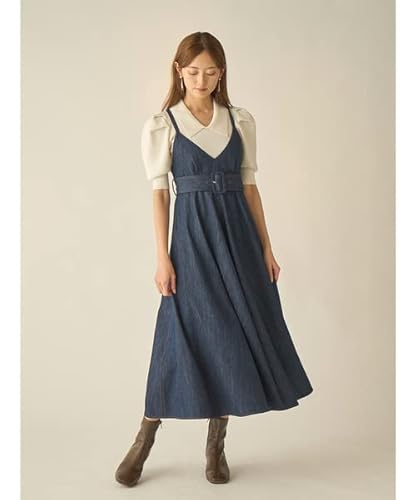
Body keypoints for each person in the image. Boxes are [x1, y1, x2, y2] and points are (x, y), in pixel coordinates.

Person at [115, 31, 313, 487]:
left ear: (221, 73)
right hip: (191, 240)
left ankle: (216, 444)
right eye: (193, 71)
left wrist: (266, 247)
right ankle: (145, 438)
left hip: (239, 237)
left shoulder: (239, 120)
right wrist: (162, 257)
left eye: (210, 71)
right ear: (179, 71)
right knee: (178, 332)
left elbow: (250, 188)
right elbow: (160, 195)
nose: (201, 79)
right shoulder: (164, 124)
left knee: (232, 335)